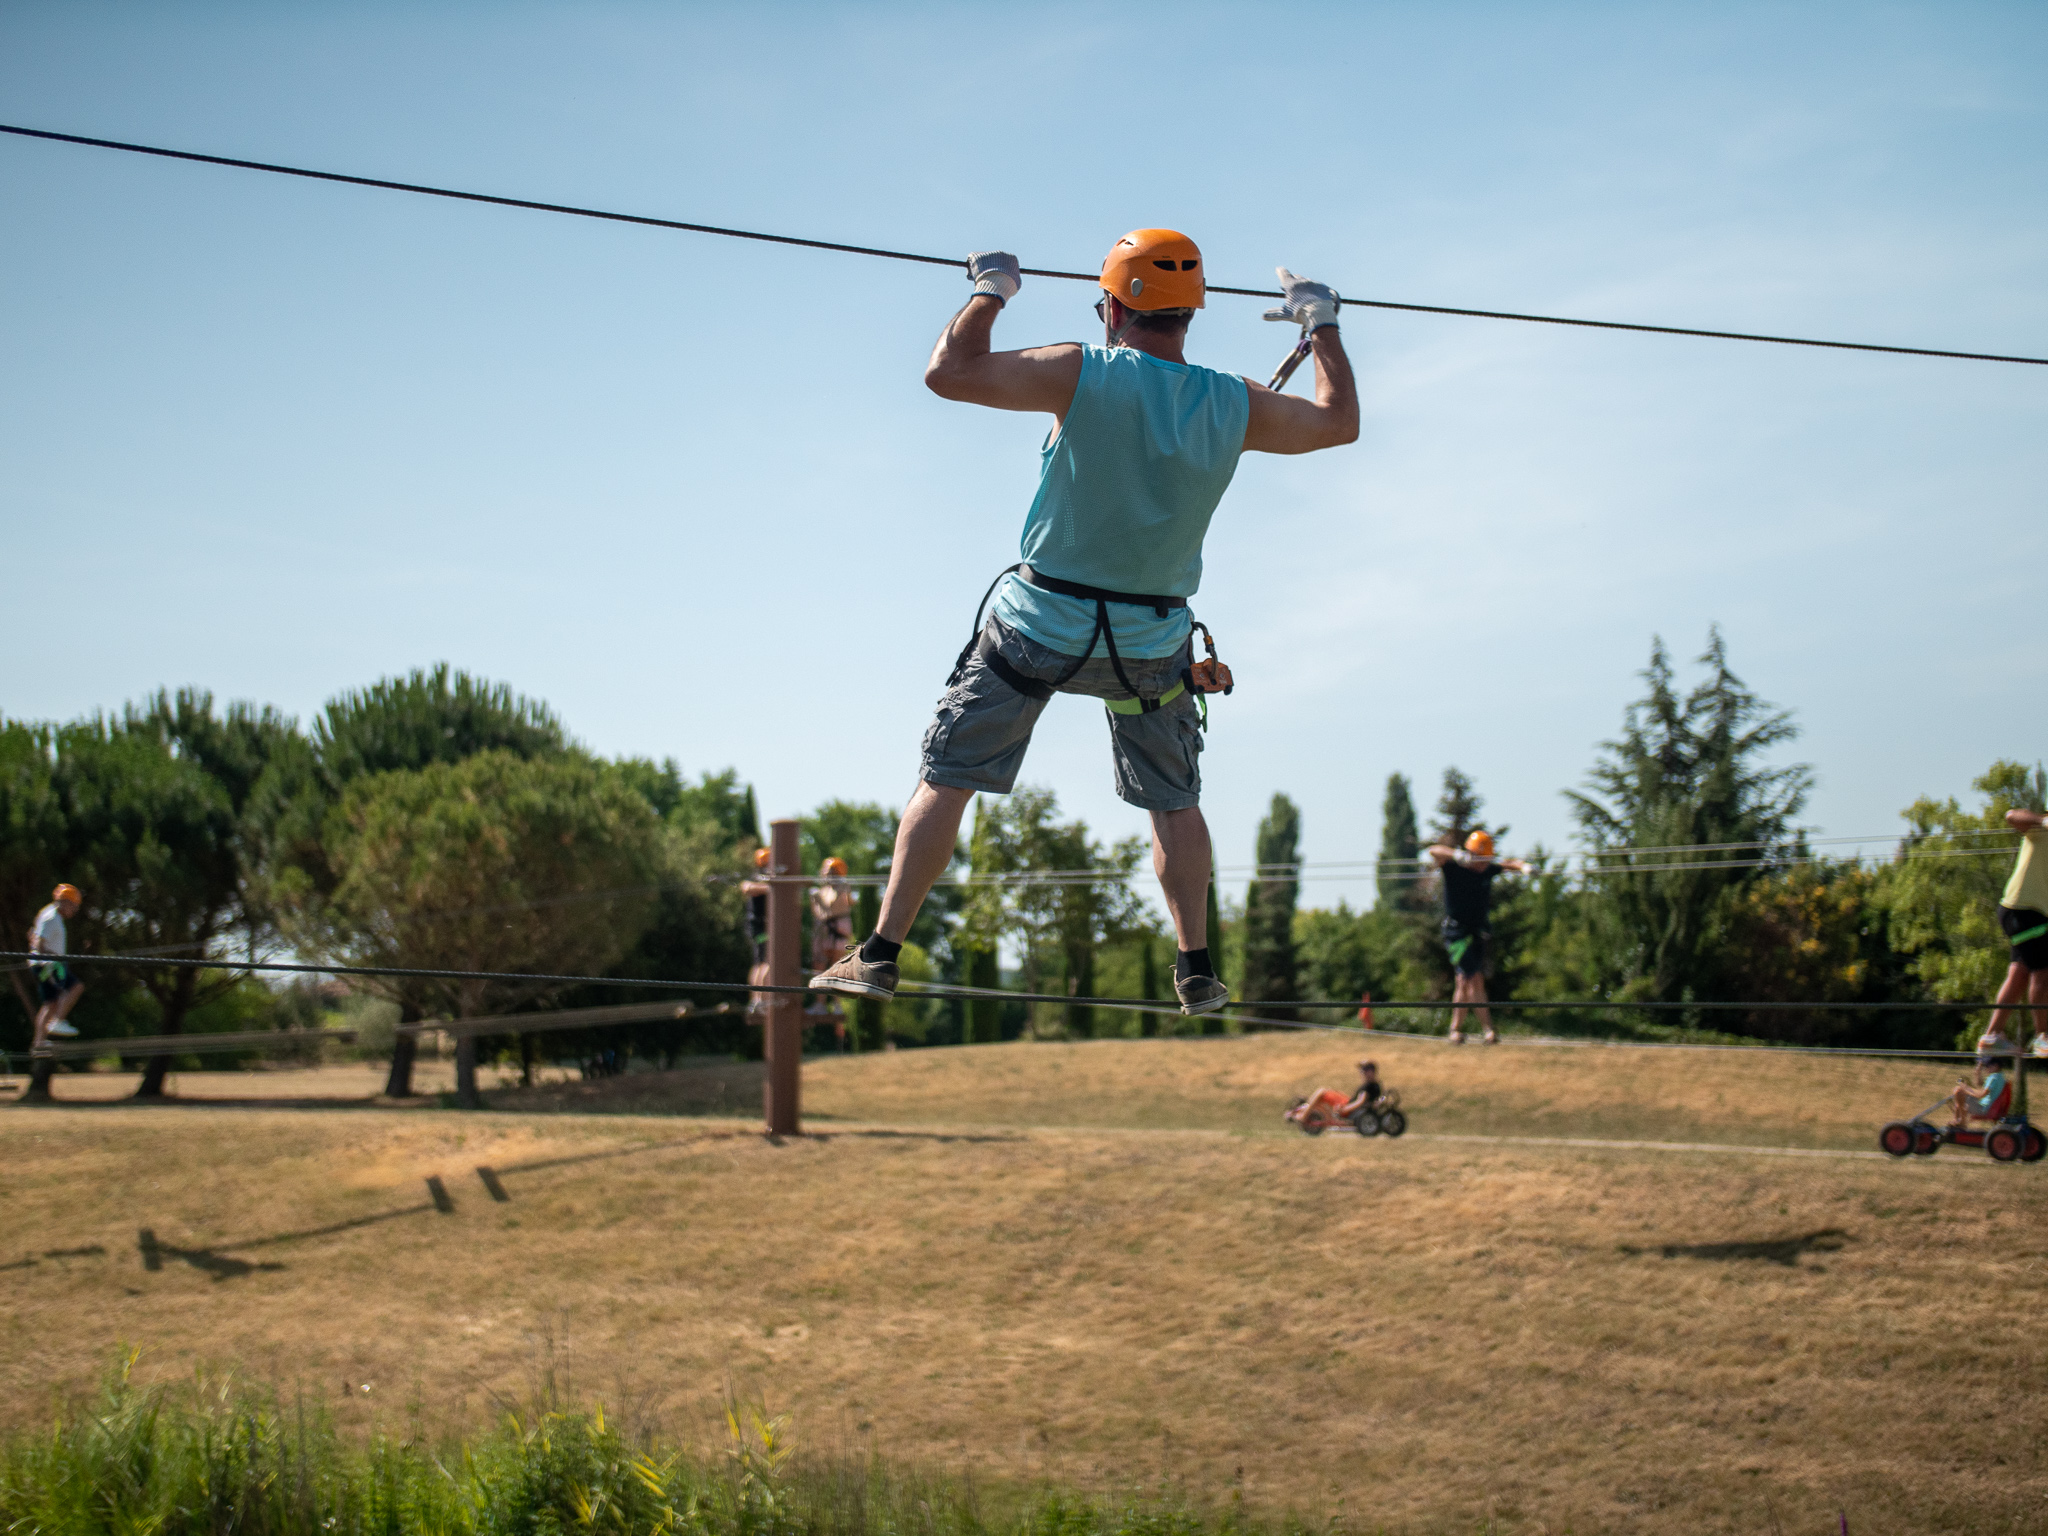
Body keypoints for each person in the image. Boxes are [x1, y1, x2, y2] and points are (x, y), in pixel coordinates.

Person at [811, 230, 1357, 1017]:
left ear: (1112, 307)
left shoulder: (1082, 368)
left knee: (949, 777)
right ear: (1191, 313)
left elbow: (948, 373)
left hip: (1039, 629)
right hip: (1147, 646)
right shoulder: (1231, 400)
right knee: (1174, 800)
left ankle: (881, 952)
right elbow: (1338, 421)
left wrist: (992, 290)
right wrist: (1322, 323)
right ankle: (1196, 966)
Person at [1419, 831, 1532, 1044]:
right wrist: (1456, 854)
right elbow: (1433, 851)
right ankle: (1486, 1029)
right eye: (1481, 859)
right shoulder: (1453, 868)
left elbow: (1508, 864)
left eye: (1487, 860)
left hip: (1478, 931)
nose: (1484, 864)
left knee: (1465, 980)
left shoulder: (1487, 870)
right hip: (1456, 932)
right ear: (1470, 855)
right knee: (1471, 978)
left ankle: (1457, 1031)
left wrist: (1524, 867)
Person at [1988, 807, 2048, 1047]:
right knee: (2042, 974)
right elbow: (2011, 816)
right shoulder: (2041, 829)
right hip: (2024, 909)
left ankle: (1992, 1035)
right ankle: (2042, 1036)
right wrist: (2043, 822)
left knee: (2019, 973)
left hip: (2029, 912)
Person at [28, 883, 84, 1047]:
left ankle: (39, 1042)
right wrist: (54, 960)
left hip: (45, 964)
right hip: (49, 966)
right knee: (76, 987)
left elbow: (32, 935)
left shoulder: (48, 914)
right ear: (66, 902)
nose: (74, 911)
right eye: (74, 906)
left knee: (50, 1003)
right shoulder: (51, 917)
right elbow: (39, 944)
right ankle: (58, 1021)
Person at [741, 848, 772, 1018]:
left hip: (758, 927)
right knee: (766, 962)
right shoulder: (759, 880)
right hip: (760, 927)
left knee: (759, 963)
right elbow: (747, 887)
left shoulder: (760, 879)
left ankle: (756, 999)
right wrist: (773, 886)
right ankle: (760, 1000)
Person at [1947, 1051, 2013, 1127]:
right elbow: (1980, 1084)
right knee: (1959, 1091)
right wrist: (1977, 1073)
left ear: (1995, 1066)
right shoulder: (1999, 1076)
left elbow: (1981, 1094)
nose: (1986, 1069)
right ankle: (1958, 1120)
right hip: (1987, 1106)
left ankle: (1961, 1121)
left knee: (1958, 1092)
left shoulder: (1994, 1078)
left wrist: (1966, 1089)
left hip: (1984, 1109)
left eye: (1987, 1066)